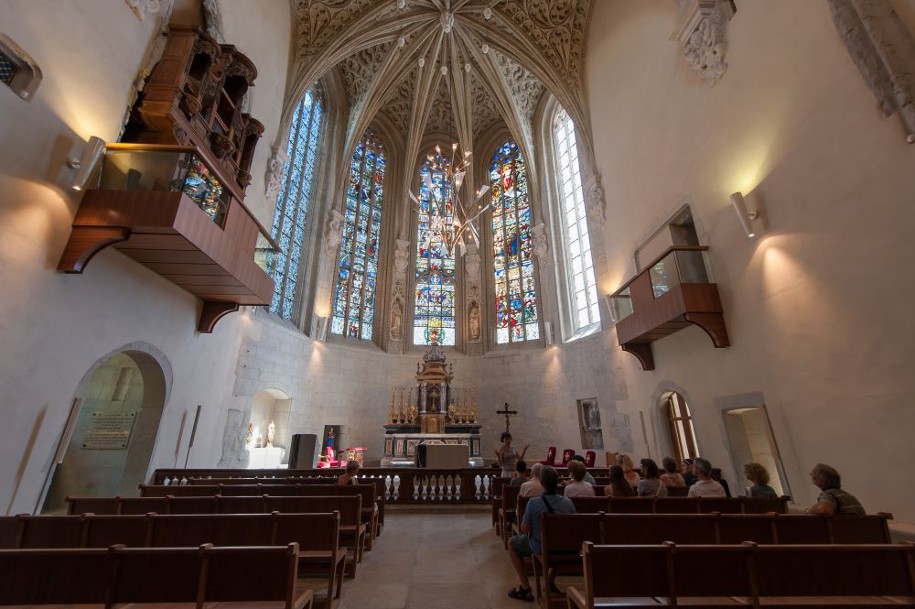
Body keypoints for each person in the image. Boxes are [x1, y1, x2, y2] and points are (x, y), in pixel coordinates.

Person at [507, 465, 575, 602]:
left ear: (542, 483)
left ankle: (526, 588)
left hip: (541, 547)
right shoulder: (568, 503)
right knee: (556, 542)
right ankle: (549, 581)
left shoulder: (534, 502)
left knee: (512, 543)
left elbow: (524, 529)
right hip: (565, 548)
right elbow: (573, 526)